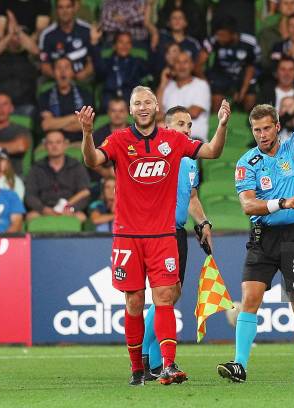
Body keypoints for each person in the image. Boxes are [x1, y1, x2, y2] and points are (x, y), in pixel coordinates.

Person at [76, 86, 231, 386]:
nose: (143, 107)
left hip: (162, 236)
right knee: (134, 302)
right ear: (131, 111)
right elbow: (92, 160)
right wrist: (86, 133)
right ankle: (137, 369)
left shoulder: (174, 140)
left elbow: (213, 151)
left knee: (164, 298)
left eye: (148, 101)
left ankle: (168, 365)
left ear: (157, 107)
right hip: (128, 236)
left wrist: (222, 126)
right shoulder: (120, 139)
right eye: (137, 103)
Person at [216, 48, 294, 384]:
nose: (262, 135)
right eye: (257, 130)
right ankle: (239, 365)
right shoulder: (246, 163)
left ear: (278, 126)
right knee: (250, 297)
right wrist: (280, 202)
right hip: (263, 237)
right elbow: (248, 206)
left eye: (267, 128)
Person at [141, 105, 214, 381]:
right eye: (181, 124)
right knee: (166, 296)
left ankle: (153, 360)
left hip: (178, 231)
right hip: (157, 232)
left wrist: (203, 222)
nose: (187, 129)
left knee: (173, 295)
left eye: (189, 125)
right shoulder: (156, 154)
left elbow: (192, 197)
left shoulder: (191, 158)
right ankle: (152, 360)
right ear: (166, 127)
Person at [196, 17, 259, 113]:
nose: (218, 37)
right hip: (221, 75)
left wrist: (243, 90)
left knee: (250, 98)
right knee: (217, 98)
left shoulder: (249, 42)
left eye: (222, 35)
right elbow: (198, 64)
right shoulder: (213, 40)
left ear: (233, 34)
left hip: (242, 75)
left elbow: (251, 67)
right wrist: (206, 84)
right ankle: (216, 123)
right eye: (217, 34)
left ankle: (249, 124)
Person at [25, 130, 91, 222]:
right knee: (31, 217)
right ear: (45, 146)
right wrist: (43, 209)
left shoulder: (76, 166)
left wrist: (72, 209)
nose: (54, 146)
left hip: (69, 209)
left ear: (65, 145)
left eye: (58, 142)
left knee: (82, 217)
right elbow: (30, 195)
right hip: (44, 209)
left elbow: (85, 193)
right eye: (50, 143)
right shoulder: (36, 168)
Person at [0, 12, 39, 114]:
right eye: (11, 35)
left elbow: (36, 52)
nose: (14, 38)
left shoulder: (29, 56)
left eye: (17, 36)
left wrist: (17, 30)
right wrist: (9, 35)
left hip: (24, 105)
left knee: (35, 112)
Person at [157, 51, 211, 141]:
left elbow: (194, 112)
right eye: (178, 62)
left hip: (193, 140)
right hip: (169, 139)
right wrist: (163, 84)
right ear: (173, 67)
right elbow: (156, 114)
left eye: (185, 62)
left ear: (192, 65)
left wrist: (165, 117)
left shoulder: (201, 85)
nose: (181, 66)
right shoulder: (168, 87)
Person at [38, 57, 94, 142]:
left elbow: (84, 125)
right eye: (59, 68)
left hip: (79, 142)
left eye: (66, 67)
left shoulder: (85, 94)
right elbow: (46, 125)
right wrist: (72, 118)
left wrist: (56, 123)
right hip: (53, 142)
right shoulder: (45, 96)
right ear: (53, 73)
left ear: (72, 72)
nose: (62, 71)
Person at [90, 31, 147, 110]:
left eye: (128, 43)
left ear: (131, 46)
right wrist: (94, 43)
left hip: (130, 101)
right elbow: (99, 71)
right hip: (109, 101)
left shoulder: (137, 62)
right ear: (114, 45)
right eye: (121, 42)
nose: (124, 46)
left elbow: (151, 71)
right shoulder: (107, 62)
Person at [38, 0, 93, 81]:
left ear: (74, 8)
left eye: (68, 7)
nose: (65, 11)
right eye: (61, 8)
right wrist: (60, 77)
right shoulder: (47, 35)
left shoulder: (87, 30)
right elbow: (44, 65)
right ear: (56, 10)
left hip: (82, 80)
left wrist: (85, 73)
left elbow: (92, 61)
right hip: (56, 80)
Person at [258, 57, 294, 136]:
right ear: (276, 73)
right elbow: (258, 122)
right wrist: (290, 112)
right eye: (283, 69)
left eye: (291, 70)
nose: (287, 74)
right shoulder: (266, 92)